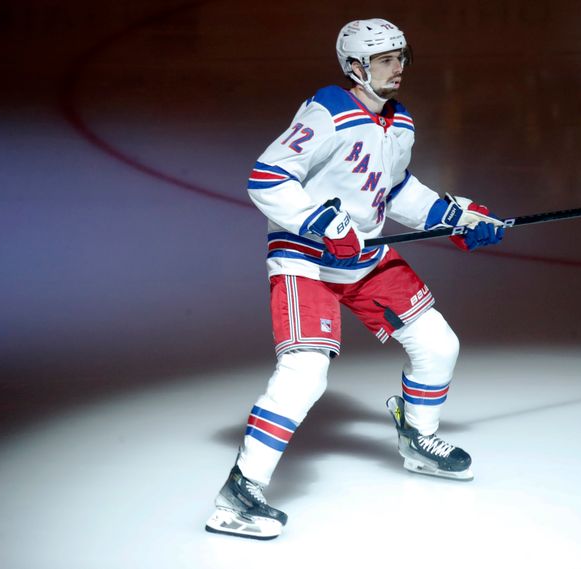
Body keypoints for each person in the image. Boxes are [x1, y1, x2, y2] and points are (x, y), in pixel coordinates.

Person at [205, 18, 505, 540]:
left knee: (438, 343)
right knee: (305, 372)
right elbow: (268, 177)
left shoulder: (401, 122)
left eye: (401, 57)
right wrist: (321, 220)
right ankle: (238, 492)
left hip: (363, 257)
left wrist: (452, 215)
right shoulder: (329, 111)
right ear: (355, 67)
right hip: (305, 259)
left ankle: (418, 438)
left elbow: (395, 191)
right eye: (386, 59)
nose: (398, 68)